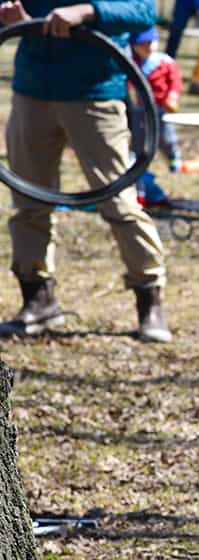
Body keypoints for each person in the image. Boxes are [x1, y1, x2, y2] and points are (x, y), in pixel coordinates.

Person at [0, 0, 172, 343]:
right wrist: (13, 19)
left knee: (119, 203)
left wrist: (86, 11)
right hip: (33, 89)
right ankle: (37, 300)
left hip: (95, 94)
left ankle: (149, 298)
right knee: (29, 202)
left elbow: (142, 11)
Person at [128, 26, 183, 207]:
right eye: (143, 44)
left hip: (160, 110)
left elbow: (175, 81)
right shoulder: (132, 63)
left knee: (166, 136)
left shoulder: (164, 62)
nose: (149, 47)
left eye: (151, 43)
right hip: (140, 111)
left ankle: (173, 156)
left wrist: (172, 96)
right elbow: (126, 82)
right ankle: (137, 162)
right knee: (138, 139)